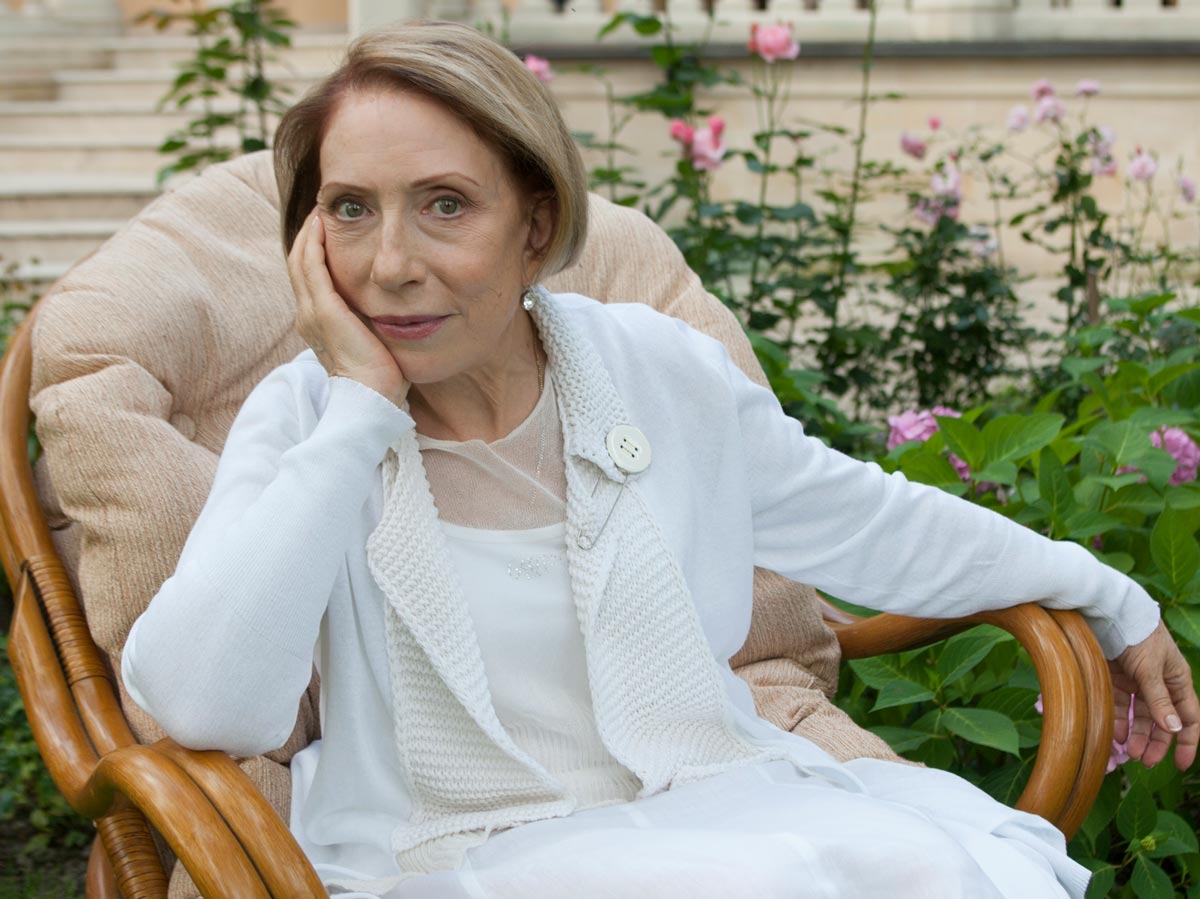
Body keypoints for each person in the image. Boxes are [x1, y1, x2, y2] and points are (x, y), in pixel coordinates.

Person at [121, 20, 1198, 899]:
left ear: (536, 223)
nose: (390, 263)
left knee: (932, 868)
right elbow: (206, 701)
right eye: (351, 210)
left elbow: (868, 520)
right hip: (459, 853)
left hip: (708, 797)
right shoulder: (307, 418)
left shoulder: (653, 368)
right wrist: (361, 411)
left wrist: (1109, 594)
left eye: (445, 204)